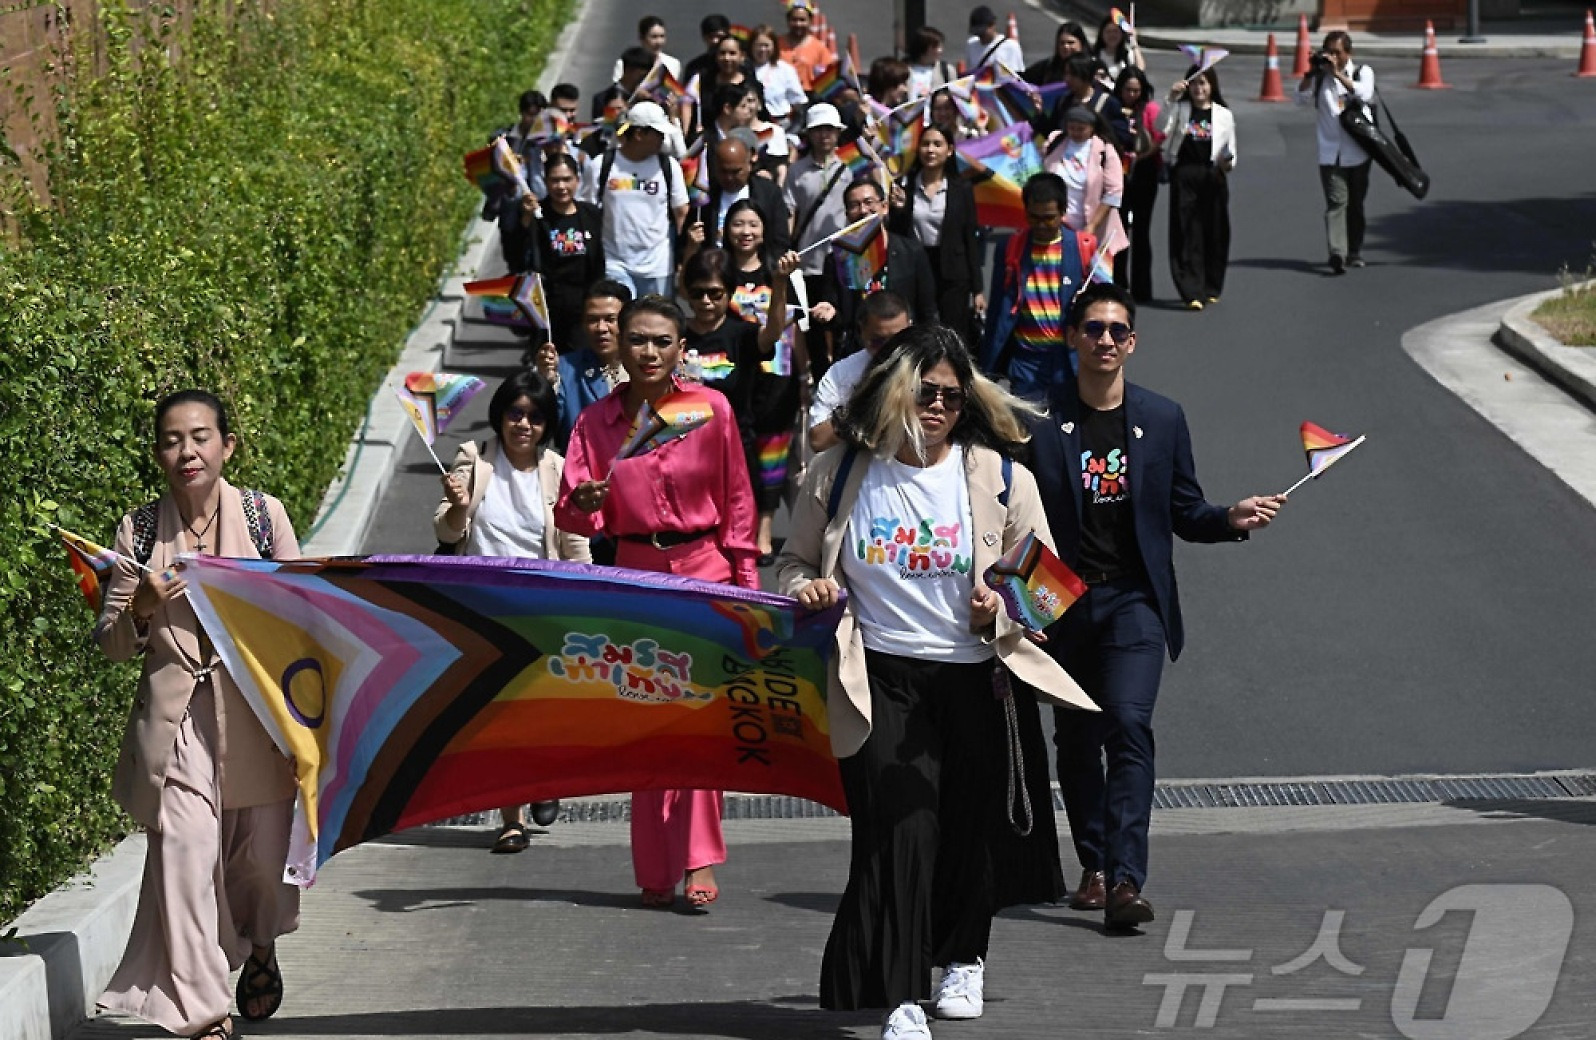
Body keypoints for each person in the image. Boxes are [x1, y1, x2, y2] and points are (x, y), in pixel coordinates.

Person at [779, 325, 1094, 1040]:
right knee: (900, 831)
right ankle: (902, 999)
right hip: (878, 676)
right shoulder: (839, 474)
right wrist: (811, 590)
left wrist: (1000, 605)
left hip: (974, 677)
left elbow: (1047, 585)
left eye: (953, 396)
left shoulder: (999, 476)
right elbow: (793, 564)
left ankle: (965, 958)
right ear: (894, 391)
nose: (940, 408)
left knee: (963, 832)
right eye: (926, 393)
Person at [1024, 282, 1284, 930]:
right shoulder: (1036, 423)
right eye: (1093, 329)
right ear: (1072, 338)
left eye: (1117, 330)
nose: (1105, 340)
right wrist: (1016, 612)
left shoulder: (1162, 419)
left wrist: (1230, 517)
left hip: (1133, 600)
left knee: (1129, 724)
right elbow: (1012, 526)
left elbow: (1183, 511)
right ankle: (1093, 864)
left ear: (1132, 342)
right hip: (1059, 603)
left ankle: (1126, 880)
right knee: (1078, 739)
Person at [95, 389, 301, 1040]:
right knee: (184, 855)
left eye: (201, 436)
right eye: (172, 440)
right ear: (158, 454)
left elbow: (305, 618)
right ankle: (204, 1013)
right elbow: (111, 642)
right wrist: (143, 606)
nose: (187, 451)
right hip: (178, 719)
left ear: (227, 445)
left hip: (258, 718)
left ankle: (260, 945)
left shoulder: (265, 517)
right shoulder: (139, 530)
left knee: (259, 865)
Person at [556, 295, 759, 909]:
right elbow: (571, 513)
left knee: (701, 722)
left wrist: (748, 587)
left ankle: (699, 858)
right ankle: (654, 865)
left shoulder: (712, 410)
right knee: (650, 722)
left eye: (662, 341)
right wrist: (587, 504)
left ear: (680, 349)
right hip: (637, 575)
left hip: (705, 571)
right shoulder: (595, 423)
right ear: (618, 341)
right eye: (638, 340)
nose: (649, 352)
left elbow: (739, 499)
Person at [434, 371, 590, 851]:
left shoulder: (558, 470)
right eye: (515, 414)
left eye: (535, 417)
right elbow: (446, 532)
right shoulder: (473, 461)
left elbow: (574, 541)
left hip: (547, 605)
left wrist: (593, 595)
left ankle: (546, 779)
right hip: (486, 606)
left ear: (547, 425)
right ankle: (512, 819)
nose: (523, 424)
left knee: (543, 712)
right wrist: (459, 506)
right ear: (500, 416)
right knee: (501, 714)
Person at [717, 205, 810, 559]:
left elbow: (794, 326)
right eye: (737, 223)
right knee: (736, 454)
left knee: (773, 455)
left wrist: (804, 375)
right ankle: (736, 523)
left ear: (764, 229)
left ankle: (765, 530)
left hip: (778, 376)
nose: (745, 231)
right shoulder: (719, 270)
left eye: (753, 223)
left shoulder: (780, 270)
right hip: (736, 376)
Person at [980, 172, 1097, 397]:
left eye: (1049, 218)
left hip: (1066, 359)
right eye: (1034, 217)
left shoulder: (1083, 248)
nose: (1041, 225)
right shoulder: (1010, 248)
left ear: (1063, 212)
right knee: (1027, 426)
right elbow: (998, 306)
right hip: (1026, 361)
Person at [815, 179, 938, 353]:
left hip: (905, 350)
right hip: (859, 350)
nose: (863, 210)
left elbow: (927, 310)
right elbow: (835, 308)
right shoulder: (837, 259)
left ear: (884, 207)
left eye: (869, 202)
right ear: (848, 214)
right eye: (854, 205)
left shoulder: (911, 252)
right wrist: (830, 312)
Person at [582, 101, 689, 300]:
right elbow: (585, 211)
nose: (662, 139)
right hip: (614, 263)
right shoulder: (601, 166)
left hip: (658, 266)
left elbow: (681, 212)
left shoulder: (668, 166)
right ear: (639, 134)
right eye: (657, 134)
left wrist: (683, 256)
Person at [888, 122, 983, 343]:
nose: (930, 150)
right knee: (920, 329)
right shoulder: (905, 186)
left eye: (937, 144)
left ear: (949, 150)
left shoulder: (962, 189)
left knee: (953, 332)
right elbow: (897, 234)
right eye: (925, 144)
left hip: (953, 272)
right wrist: (899, 209)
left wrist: (978, 289)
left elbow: (970, 237)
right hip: (917, 266)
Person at [501, 153, 605, 355]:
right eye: (555, 180)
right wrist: (525, 220)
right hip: (547, 309)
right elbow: (515, 255)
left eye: (567, 179)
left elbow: (600, 261)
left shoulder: (591, 214)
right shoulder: (536, 215)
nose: (561, 186)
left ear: (577, 180)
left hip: (584, 307)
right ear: (546, 181)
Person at [1295, 31, 1375, 275]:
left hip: (1359, 152)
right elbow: (1299, 99)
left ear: (1347, 54)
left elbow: (1364, 94)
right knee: (1337, 202)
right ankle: (1337, 254)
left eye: (1337, 53)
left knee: (1356, 204)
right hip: (1330, 152)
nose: (1332, 57)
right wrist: (1310, 73)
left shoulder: (1363, 72)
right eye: (1328, 51)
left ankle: (1354, 251)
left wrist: (1338, 74)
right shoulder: (1320, 78)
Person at [1161, 63, 1236, 310]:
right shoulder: (1180, 109)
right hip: (1185, 173)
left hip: (1213, 175)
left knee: (1215, 231)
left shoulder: (1223, 115)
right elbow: (1160, 129)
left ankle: (1212, 285)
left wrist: (1227, 161)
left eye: (1203, 83)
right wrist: (1170, 99)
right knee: (1186, 231)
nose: (1198, 89)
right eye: (1193, 83)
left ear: (1212, 86)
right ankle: (1191, 289)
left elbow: (1231, 153)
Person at [784, 103, 853, 368]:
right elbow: (790, 211)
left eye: (830, 129)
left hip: (844, 257)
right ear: (809, 134)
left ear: (838, 133)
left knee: (842, 319)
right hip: (810, 260)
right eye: (818, 130)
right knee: (812, 321)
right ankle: (820, 373)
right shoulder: (796, 171)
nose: (824, 135)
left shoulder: (851, 167)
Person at [808, 290, 911, 452]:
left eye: (899, 341)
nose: (890, 351)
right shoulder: (840, 375)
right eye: (878, 341)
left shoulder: (929, 369)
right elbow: (818, 441)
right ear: (861, 331)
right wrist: (864, 406)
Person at [690, 136, 792, 255]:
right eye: (724, 171)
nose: (729, 178)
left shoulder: (769, 193)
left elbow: (780, 241)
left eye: (736, 171)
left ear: (749, 165)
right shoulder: (705, 196)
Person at [1113, 67, 1163, 302]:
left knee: (1141, 231)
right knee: (1118, 230)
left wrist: (1141, 156)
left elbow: (1159, 137)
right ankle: (1118, 285)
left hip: (1144, 171)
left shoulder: (1150, 110)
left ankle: (1142, 289)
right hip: (1117, 174)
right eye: (1127, 90)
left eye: (1136, 90)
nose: (1131, 94)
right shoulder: (1113, 108)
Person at [1044, 105, 1126, 247]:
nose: (1075, 133)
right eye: (1072, 128)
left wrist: (1093, 225)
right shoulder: (1056, 141)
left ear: (1092, 127)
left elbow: (1114, 191)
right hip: (1056, 223)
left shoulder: (1105, 150)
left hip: (1089, 226)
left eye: (1081, 129)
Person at [750, 24, 807, 127]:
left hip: (780, 123)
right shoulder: (744, 69)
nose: (762, 50)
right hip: (751, 123)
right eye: (758, 45)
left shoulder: (785, 69)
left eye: (766, 45)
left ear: (774, 46)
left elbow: (799, 104)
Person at [779, 0, 836, 91]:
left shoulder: (819, 48)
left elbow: (830, 77)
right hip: (782, 95)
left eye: (802, 20)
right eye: (794, 19)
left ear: (810, 21)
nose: (798, 24)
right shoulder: (777, 45)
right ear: (788, 20)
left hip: (809, 95)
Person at [611, 15, 681, 83]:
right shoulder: (624, 64)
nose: (659, 42)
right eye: (654, 37)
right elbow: (618, 90)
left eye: (662, 36)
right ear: (642, 38)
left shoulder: (673, 63)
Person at [1024, 21, 1089, 86]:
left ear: (1081, 43)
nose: (1066, 46)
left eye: (1070, 42)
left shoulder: (1091, 68)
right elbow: (1022, 78)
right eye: (1062, 43)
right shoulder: (1049, 66)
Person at [905, 25, 956, 101]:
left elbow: (955, 97)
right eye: (936, 47)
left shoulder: (946, 70)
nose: (940, 51)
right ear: (924, 47)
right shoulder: (903, 68)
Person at [965, 5, 1024, 72]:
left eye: (982, 33)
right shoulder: (971, 45)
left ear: (993, 25)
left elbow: (1017, 77)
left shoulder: (1010, 47)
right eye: (977, 33)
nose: (980, 36)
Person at [1093, 12, 1144, 82]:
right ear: (1102, 34)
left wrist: (1134, 42)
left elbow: (1140, 70)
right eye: (1108, 32)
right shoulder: (1094, 55)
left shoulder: (1127, 54)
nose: (1112, 35)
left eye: (1115, 31)